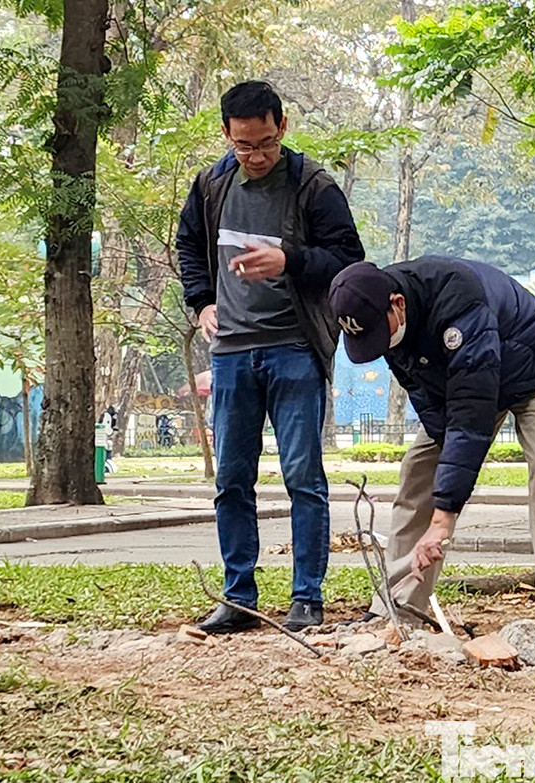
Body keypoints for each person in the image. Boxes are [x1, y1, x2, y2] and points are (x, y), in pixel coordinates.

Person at [177, 81, 365, 634]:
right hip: (232, 352)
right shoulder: (212, 184)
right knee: (231, 480)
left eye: (264, 143)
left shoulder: (313, 185)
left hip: (294, 350)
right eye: (243, 146)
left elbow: (348, 261)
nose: (255, 157)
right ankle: (238, 597)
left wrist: (289, 259)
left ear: (281, 126)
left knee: (303, 476)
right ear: (226, 135)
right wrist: (201, 303)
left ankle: (307, 596)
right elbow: (189, 245)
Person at [327, 257, 535, 640]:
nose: (377, 344)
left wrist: (443, 518)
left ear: (398, 303)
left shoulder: (458, 302)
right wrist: (443, 470)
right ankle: (401, 606)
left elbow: (471, 412)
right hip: (477, 382)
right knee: (419, 471)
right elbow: (433, 404)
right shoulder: (380, 323)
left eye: (377, 334)